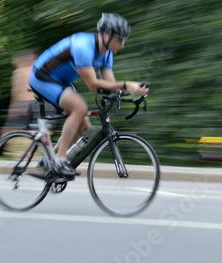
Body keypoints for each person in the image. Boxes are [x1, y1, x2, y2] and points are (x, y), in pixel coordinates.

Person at [29, 13, 148, 177]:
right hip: (42, 76)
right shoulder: (83, 46)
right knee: (79, 107)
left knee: (84, 125)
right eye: (119, 39)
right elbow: (93, 85)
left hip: (60, 81)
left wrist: (132, 91)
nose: (122, 44)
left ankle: (50, 159)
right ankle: (60, 161)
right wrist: (126, 84)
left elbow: (111, 86)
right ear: (106, 35)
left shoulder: (107, 54)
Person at [2, 50, 38, 137]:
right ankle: (34, 148)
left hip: (22, 105)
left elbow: (15, 92)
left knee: (6, 133)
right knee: (35, 133)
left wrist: (11, 108)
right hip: (36, 104)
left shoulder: (18, 72)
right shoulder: (34, 71)